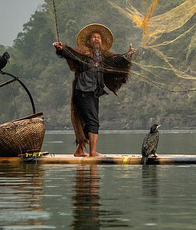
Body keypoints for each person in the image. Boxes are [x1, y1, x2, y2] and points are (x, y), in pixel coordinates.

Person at [53, 23, 135, 157]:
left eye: (99, 37)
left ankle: (80, 150)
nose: (97, 39)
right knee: (93, 121)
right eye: (94, 37)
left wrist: (128, 54)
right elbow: (70, 53)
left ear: (101, 41)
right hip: (83, 91)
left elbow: (117, 60)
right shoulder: (83, 54)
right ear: (89, 41)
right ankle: (92, 152)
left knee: (89, 121)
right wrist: (61, 49)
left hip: (94, 92)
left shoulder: (104, 57)